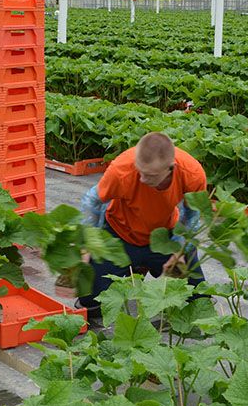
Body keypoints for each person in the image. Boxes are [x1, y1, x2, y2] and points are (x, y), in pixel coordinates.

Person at [76, 132, 207, 322]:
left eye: (150, 175)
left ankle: (142, 266)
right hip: (120, 234)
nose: (143, 179)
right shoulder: (122, 169)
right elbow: (92, 200)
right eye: (140, 172)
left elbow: (192, 214)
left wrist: (179, 248)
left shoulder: (192, 174)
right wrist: (87, 243)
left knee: (197, 297)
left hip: (165, 237)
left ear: (171, 168)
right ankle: (135, 266)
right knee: (91, 301)